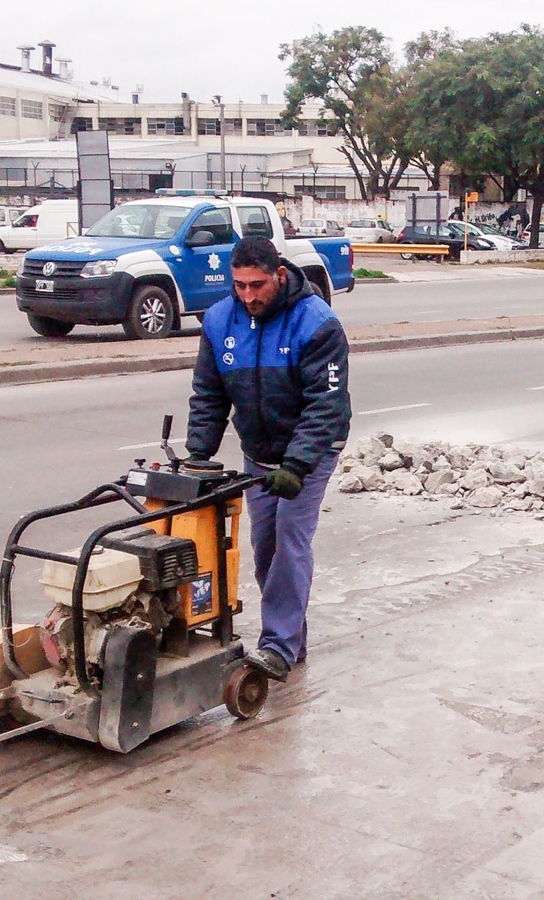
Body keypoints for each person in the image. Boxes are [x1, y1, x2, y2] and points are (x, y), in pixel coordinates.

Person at [187, 236, 351, 681]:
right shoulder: (219, 320)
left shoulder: (316, 323)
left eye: (256, 285)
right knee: (265, 548)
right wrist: (198, 452)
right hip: (259, 451)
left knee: (289, 541)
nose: (248, 296)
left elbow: (326, 405)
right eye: (239, 285)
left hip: (312, 450)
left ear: (279, 275)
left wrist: (296, 466)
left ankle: (278, 643)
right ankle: (291, 638)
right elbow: (209, 392)